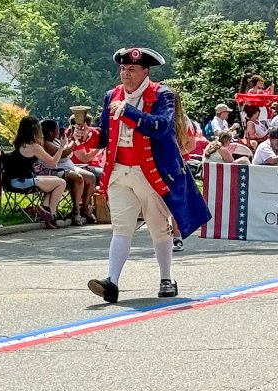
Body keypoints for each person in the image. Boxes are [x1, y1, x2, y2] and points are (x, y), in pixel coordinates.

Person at [87, 46, 211, 304]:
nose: (125, 74)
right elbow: (105, 135)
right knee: (121, 227)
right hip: (119, 172)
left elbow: (161, 127)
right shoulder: (112, 96)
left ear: (145, 71)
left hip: (151, 172)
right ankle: (112, 282)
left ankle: (166, 278)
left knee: (158, 226)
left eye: (132, 69)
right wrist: (89, 135)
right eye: (123, 69)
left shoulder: (163, 95)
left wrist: (130, 112)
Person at [16, 117, 74, 229]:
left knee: (52, 182)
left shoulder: (19, 143)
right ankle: (52, 215)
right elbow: (53, 162)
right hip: (27, 180)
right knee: (61, 183)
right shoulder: (34, 146)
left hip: (16, 178)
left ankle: (45, 208)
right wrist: (61, 147)